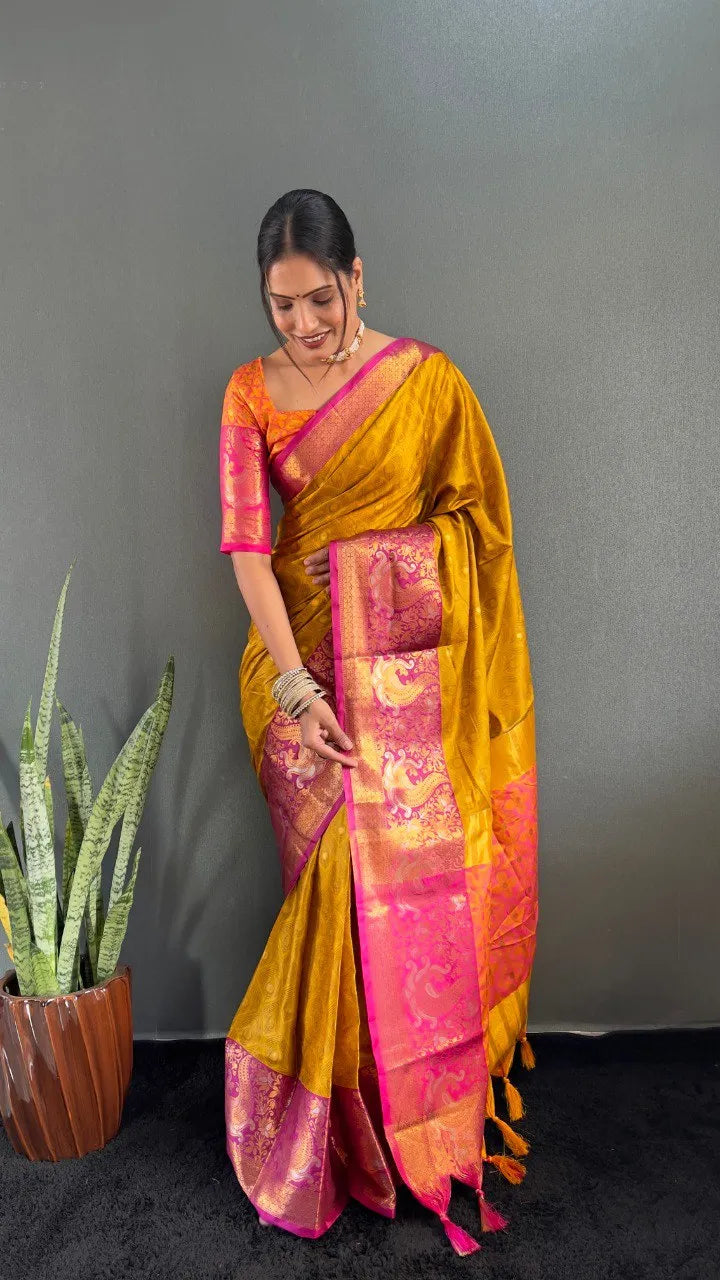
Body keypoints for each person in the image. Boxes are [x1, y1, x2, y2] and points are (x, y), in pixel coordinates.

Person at [219, 188, 539, 1257]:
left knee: (398, 885)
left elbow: (477, 529)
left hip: (401, 678)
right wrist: (298, 688)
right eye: (282, 305)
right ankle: (330, 1130)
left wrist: (377, 566)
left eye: (320, 298)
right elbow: (247, 552)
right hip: (290, 673)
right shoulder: (249, 392)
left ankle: (401, 1128)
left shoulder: (428, 382)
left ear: (356, 277)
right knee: (333, 890)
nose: (303, 324)